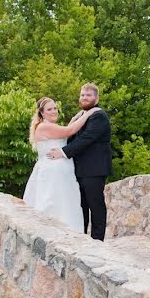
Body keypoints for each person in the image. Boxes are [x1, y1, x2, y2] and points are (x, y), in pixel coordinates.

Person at [22, 96, 98, 232]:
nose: (54, 111)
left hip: (60, 171)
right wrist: (89, 113)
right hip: (53, 172)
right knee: (54, 202)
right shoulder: (44, 127)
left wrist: (77, 116)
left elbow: (65, 130)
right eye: (49, 109)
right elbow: (69, 131)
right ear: (42, 113)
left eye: (55, 108)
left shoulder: (49, 126)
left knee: (65, 202)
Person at [47, 83, 112, 241]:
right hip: (78, 169)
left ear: (96, 98)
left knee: (95, 206)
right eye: (82, 95)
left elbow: (86, 139)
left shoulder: (99, 116)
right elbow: (69, 135)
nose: (84, 97)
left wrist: (63, 153)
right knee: (81, 206)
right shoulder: (80, 116)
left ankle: (97, 241)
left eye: (88, 95)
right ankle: (82, 238)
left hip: (94, 169)